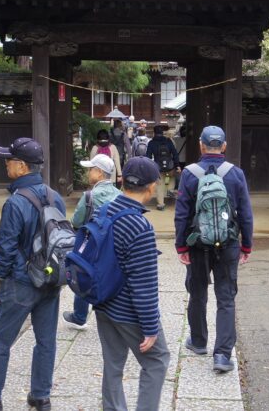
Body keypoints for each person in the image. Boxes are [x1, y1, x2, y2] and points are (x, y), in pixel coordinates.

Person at [0, 137, 65, 411]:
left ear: (22, 166)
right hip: (50, 279)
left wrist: (3, 276)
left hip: (21, 282)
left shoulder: (16, 202)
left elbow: (5, 247)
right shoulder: (55, 196)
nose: (6, 164)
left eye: (9, 160)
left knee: (0, 339)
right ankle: (41, 396)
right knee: (46, 341)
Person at [174, 125, 253, 373]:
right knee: (226, 297)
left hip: (197, 244)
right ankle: (222, 355)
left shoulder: (189, 174)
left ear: (201, 145)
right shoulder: (236, 174)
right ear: (224, 146)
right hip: (228, 243)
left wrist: (181, 246)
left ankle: (198, 342)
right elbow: (246, 213)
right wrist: (246, 245)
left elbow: (182, 214)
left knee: (197, 292)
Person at [94, 156, 170, 411]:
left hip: (103, 302)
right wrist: (150, 327)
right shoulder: (140, 226)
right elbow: (143, 285)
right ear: (152, 186)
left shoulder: (104, 210)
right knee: (157, 360)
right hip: (127, 309)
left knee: (113, 363)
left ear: (122, 181)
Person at [63, 154, 122, 330]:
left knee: (83, 275)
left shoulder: (90, 196)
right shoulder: (120, 195)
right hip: (114, 245)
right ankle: (113, 315)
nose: (88, 173)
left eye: (91, 170)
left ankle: (80, 316)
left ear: (99, 172)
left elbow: (76, 221)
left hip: (92, 244)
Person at [146, 125, 180, 211]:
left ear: (154, 133)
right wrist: (177, 165)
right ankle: (170, 190)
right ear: (162, 133)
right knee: (170, 180)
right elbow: (175, 154)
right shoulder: (168, 141)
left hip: (158, 168)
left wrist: (150, 167)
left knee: (159, 185)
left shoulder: (151, 143)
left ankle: (161, 204)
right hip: (170, 167)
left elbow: (148, 156)